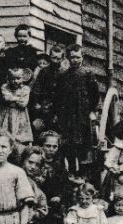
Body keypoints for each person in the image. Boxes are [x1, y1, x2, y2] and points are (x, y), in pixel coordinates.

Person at [39, 45, 102, 178]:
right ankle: (71, 173)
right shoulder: (63, 75)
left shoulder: (87, 74)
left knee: (83, 147)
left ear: (82, 58)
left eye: (77, 57)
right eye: (72, 57)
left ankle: (84, 175)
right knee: (68, 146)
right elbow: (58, 97)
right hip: (66, 117)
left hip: (82, 116)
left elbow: (94, 95)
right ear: (67, 58)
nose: (74, 60)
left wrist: (92, 110)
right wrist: (56, 113)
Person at [0, 65, 35, 151]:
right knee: (4, 133)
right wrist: (18, 98)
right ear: (8, 78)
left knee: (19, 135)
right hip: (7, 113)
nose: (15, 81)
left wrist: (12, 99)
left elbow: (23, 103)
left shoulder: (26, 88)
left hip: (21, 115)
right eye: (12, 78)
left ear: (22, 78)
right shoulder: (5, 86)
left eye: (18, 78)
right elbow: (6, 98)